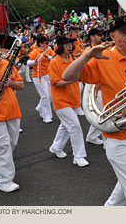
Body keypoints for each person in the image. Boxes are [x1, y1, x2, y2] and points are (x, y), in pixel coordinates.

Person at [62, 15, 126, 206]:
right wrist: (87, 56)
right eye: (125, 33)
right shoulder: (103, 57)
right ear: (113, 36)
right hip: (118, 135)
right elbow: (67, 76)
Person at [0, 36, 24, 192]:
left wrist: (11, 82)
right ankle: (4, 181)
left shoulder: (6, 63)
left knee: (11, 144)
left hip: (12, 110)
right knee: (1, 147)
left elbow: (21, 84)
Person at [47, 37, 89, 167]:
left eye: (71, 44)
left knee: (66, 125)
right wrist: (74, 80)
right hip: (61, 100)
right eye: (67, 44)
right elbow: (56, 83)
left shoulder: (71, 59)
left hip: (73, 99)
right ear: (60, 46)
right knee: (75, 126)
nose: (70, 46)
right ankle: (78, 155)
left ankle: (56, 146)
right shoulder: (54, 62)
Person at [27, 36, 55, 123]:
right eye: (46, 43)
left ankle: (40, 107)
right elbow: (28, 63)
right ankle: (47, 116)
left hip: (48, 75)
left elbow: (55, 58)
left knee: (50, 96)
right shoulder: (35, 52)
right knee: (45, 96)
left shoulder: (49, 51)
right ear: (40, 44)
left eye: (48, 43)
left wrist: (48, 57)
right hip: (38, 76)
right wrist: (34, 61)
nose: (47, 45)